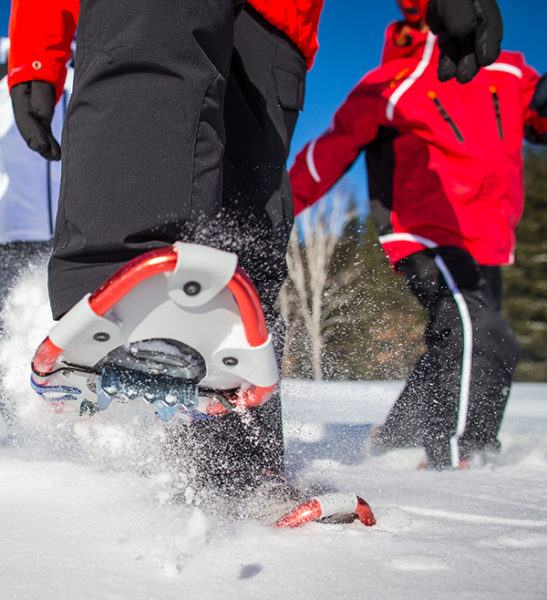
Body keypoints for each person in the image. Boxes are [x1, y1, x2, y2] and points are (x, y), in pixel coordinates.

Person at [7, 0, 507, 496]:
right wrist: (36, 46)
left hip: (277, 22)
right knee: (152, 51)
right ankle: (125, 294)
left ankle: (236, 472)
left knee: (248, 232)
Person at [289, 1, 547, 470]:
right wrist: (281, 204)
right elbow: (328, 151)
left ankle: (401, 439)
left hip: (489, 240)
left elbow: (538, 119)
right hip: (424, 233)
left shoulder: (508, 71)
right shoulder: (391, 81)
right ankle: (460, 458)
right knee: (482, 334)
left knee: (460, 338)